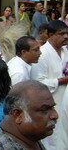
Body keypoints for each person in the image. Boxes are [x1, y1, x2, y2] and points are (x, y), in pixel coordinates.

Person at [0, 80, 58, 150]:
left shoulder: (30, 137)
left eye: (53, 107)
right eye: (44, 110)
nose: (55, 115)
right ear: (18, 115)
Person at [30, 20, 68, 150]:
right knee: (50, 138)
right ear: (50, 35)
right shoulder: (42, 53)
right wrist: (60, 81)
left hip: (65, 102)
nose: (66, 37)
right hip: (50, 104)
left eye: (67, 33)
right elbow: (37, 83)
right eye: (61, 34)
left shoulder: (65, 52)